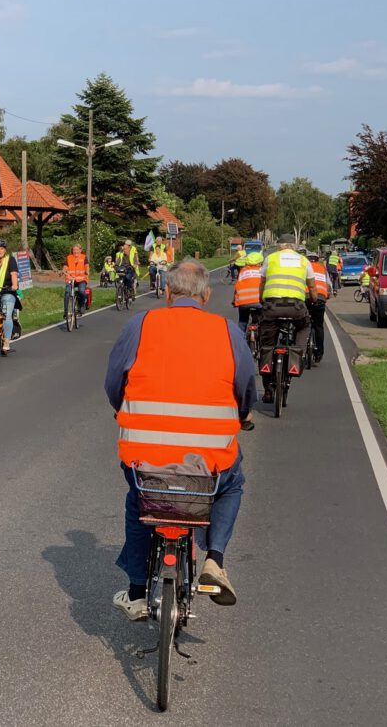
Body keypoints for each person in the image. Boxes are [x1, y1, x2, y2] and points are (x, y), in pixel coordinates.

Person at [105, 258, 256, 619]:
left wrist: (120, 406)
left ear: (168, 293)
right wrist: (244, 413)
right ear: (206, 295)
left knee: (138, 499)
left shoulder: (141, 324)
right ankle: (214, 560)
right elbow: (246, 385)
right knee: (232, 484)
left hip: (145, 459)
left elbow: (114, 382)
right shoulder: (227, 331)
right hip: (206, 466)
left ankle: (138, 592)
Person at [257, 234, 318, 403]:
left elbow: (262, 282)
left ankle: (268, 389)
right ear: (294, 246)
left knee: (266, 345)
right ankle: (297, 354)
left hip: (272, 307)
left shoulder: (270, 258)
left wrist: (262, 298)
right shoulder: (304, 261)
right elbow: (312, 286)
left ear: (279, 246)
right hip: (296, 307)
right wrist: (313, 299)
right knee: (305, 326)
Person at [307, 252, 330, 365]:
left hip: (305, 297)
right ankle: (319, 354)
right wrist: (327, 294)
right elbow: (328, 284)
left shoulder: (304, 266)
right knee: (319, 326)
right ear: (317, 259)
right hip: (320, 298)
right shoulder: (322, 268)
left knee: (301, 324)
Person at [232, 251, 263, 331]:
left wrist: (234, 301)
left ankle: (240, 339)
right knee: (263, 321)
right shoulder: (263, 271)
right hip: (259, 301)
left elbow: (237, 287)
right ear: (260, 262)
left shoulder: (242, 271)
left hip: (243, 302)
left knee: (242, 321)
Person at [62, 243, 89, 317]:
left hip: (81, 279)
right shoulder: (69, 257)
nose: (75, 251)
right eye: (74, 250)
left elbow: (86, 266)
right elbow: (65, 266)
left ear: (80, 250)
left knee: (81, 291)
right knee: (67, 293)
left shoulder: (84, 257)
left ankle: (82, 305)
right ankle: (66, 311)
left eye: (77, 250)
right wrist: (63, 270)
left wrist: (87, 271)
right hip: (70, 278)